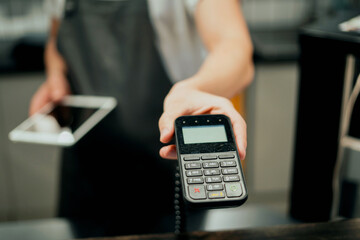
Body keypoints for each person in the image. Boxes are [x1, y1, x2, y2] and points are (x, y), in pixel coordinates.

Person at [30, 0, 254, 237]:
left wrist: (196, 88)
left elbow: (234, 47)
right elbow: (55, 40)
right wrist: (56, 77)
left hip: (162, 174)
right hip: (86, 168)